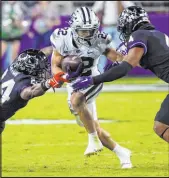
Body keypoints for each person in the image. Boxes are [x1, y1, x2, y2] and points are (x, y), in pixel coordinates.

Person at [49, 6, 133, 168]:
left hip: (91, 79)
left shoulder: (101, 39)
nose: (87, 34)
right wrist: (64, 76)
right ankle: (122, 153)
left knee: (76, 100)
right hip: (72, 82)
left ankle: (93, 140)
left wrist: (120, 58)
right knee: (90, 124)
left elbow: (118, 57)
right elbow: (55, 66)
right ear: (73, 28)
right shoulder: (61, 37)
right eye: (83, 31)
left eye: (91, 30)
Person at [71, 6, 169, 143]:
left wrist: (93, 80)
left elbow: (125, 68)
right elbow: (142, 62)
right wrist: (121, 60)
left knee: (161, 127)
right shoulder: (158, 35)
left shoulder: (138, 35)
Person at [0, 49, 67, 134]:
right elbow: (31, 92)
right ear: (32, 70)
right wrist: (50, 82)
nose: (45, 69)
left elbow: (37, 55)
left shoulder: (17, 66)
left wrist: (57, 48)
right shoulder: (22, 88)